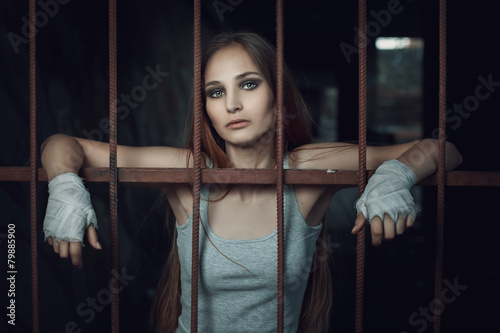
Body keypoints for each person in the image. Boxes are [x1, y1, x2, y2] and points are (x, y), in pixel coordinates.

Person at [41, 31, 463, 332]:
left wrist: (396, 174)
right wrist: (63, 184)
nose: (233, 104)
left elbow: (445, 150)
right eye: (215, 91)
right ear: (205, 107)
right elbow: (64, 143)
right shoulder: (186, 169)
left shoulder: (307, 169)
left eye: (248, 84)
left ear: (278, 96)